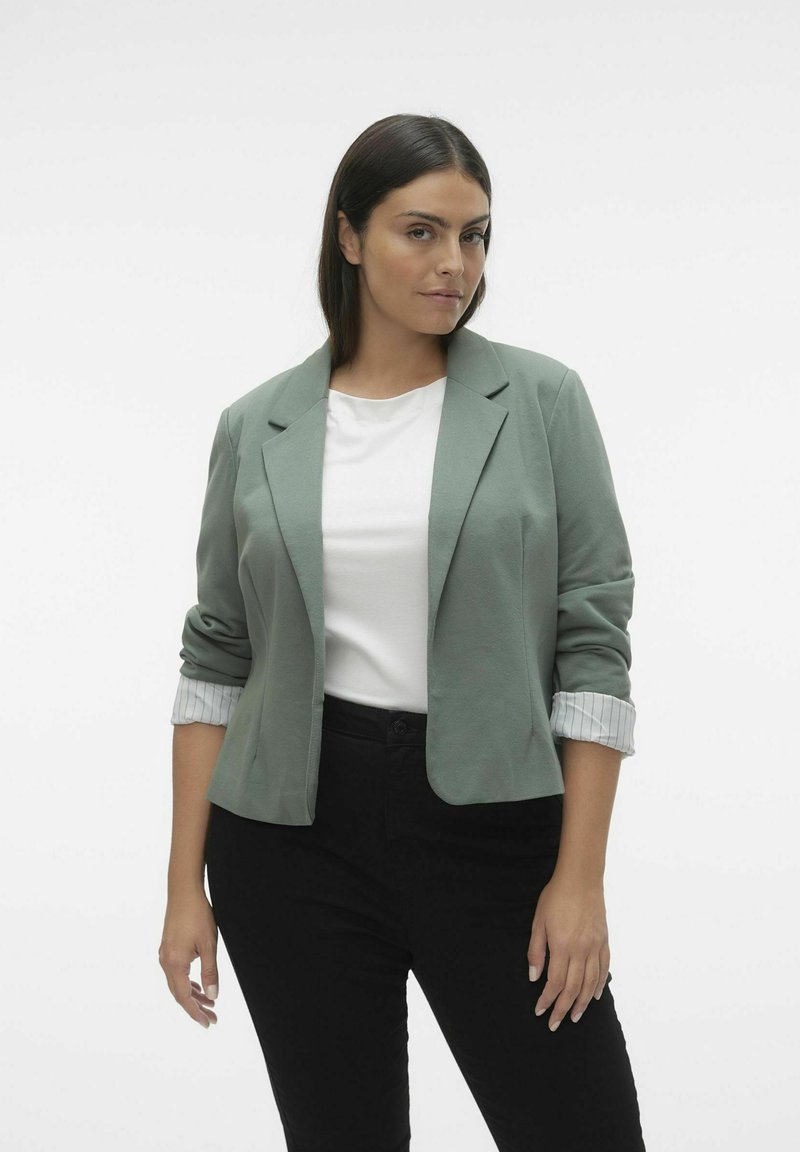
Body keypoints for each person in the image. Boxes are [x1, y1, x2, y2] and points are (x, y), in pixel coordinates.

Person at [158, 112, 647, 1152]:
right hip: (289, 839)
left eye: (474, 235)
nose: (454, 263)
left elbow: (593, 646)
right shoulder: (257, 425)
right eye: (420, 231)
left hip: (495, 828)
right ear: (348, 236)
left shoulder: (541, 402)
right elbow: (217, 657)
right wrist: (181, 887)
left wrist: (579, 878)